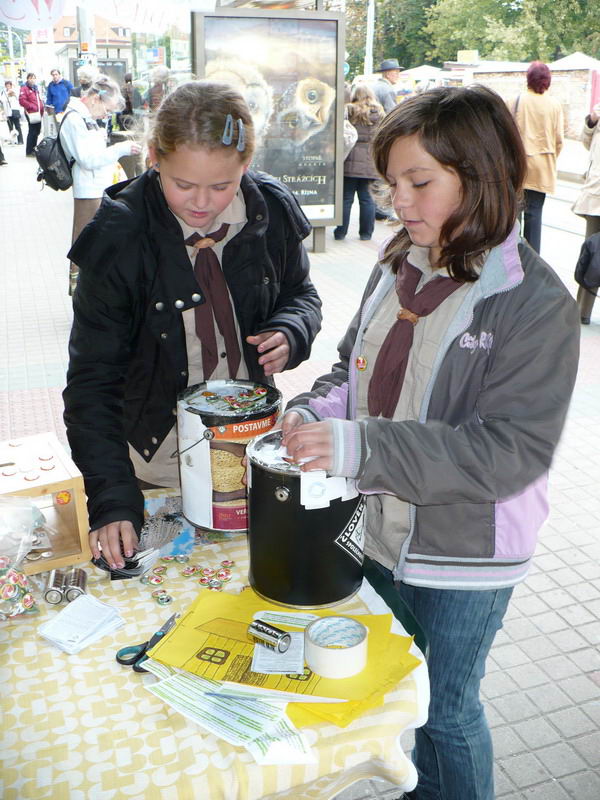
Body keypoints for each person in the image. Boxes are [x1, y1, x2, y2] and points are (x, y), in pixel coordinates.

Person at [281, 85, 579, 800]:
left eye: (420, 183)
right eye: (392, 185)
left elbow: (509, 452)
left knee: (444, 712)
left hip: (464, 551)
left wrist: (359, 449)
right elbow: (349, 368)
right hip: (379, 529)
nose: (399, 203)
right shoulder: (398, 265)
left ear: (479, 178)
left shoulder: (535, 303)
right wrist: (311, 411)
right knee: (402, 699)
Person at [63, 80, 322, 571]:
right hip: (152, 466)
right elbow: (91, 383)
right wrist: (113, 498)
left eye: (222, 186)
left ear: (245, 165)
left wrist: (292, 329)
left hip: (251, 448)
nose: (202, 203)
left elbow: (301, 295)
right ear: (154, 157)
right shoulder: (119, 236)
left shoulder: (271, 213)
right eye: (183, 184)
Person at [59, 74, 142, 295]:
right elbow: (88, 159)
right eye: (107, 108)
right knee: (87, 244)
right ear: (95, 98)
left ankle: (90, 292)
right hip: (88, 190)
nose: (107, 114)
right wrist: (121, 149)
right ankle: (83, 294)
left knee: (94, 242)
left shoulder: (85, 117)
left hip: (95, 186)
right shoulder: (76, 119)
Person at [513, 61, 564, 254]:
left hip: (520, 167)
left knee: (514, 216)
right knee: (535, 216)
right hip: (542, 168)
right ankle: (532, 260)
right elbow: (559, 139)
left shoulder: (517, 100)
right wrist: (549, 159)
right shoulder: (554, 105)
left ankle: (512, 258)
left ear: (528, 79)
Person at [334, 84, 384, 241]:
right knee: (367, 199)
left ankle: (341, 232)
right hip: (370, 160)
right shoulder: (379, 112)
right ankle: (366, 234)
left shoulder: (349, 110)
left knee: (346, 198)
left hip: (349, 158)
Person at [572, 101, 600, 324]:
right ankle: (583, 310)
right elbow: (586, 141)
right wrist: (591, 123)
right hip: (596, 192)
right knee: (592, 251)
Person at [19, 73, 44, 156]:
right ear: (27, 79)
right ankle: (29, 151)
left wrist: (41, 108)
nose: (32, 80)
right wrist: (32, 107)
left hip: (38, 113)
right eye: (30, 78)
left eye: (34, 78)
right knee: (32, 131)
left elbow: (38, 100)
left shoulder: (35, 88)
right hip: (31, 113)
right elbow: (22, 101)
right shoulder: (24, 88)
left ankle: (33, 149)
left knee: (37, 131)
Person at [3, 80, 23, 144]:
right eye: (7, 85)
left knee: (17, 126)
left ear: (11, 85)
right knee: (10, 127)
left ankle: (20, 140)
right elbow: (2, 100)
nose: (8, 87)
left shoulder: (15, 91)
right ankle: (12, 141)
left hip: (15, 110)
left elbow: (19, 98)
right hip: (8, 112)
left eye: (9, 85)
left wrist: (14, 94)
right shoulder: (4, 92)